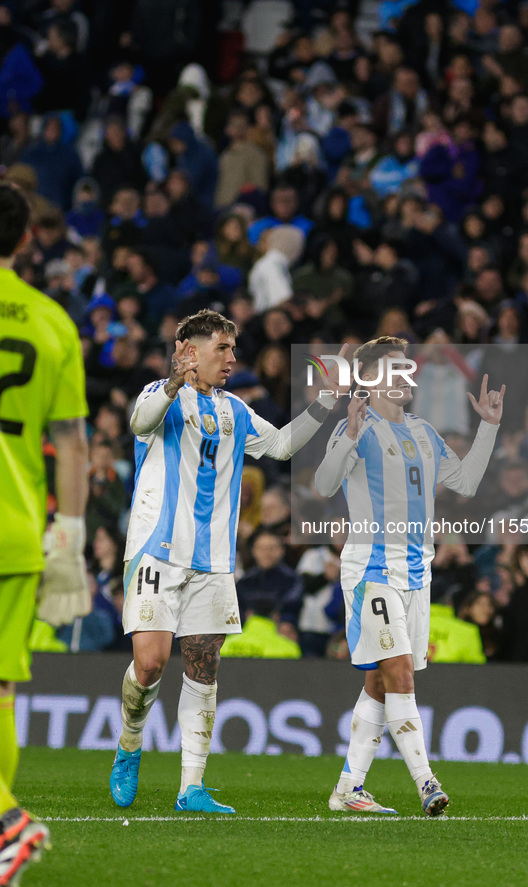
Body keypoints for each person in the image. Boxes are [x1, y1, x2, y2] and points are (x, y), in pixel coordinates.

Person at [109, 309, 347, 815]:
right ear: (191, 351)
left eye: (233, 349)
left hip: (214, 561)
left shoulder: (236, 409)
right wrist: (174, 381)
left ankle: (190, 787)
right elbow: (138, 422)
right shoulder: (161, 396)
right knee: (150, 663)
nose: (232, 358)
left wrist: (325, 403)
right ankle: (130, 743)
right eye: (223, 348)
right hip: (157, 550)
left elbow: (281, 446)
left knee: (203, 664)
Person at [315, 336, 505, 816]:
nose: (407, 377)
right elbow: (323, 483)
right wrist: (350, 436)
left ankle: (348, 789)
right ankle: (427, 783)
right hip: (372, 572)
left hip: (417, 575)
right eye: (396, 369)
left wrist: (488, 428)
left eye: (408, 369)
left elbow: (465, 482)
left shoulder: (423, 431)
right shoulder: (358, 426)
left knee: (379, 684)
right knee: (398, 673)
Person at [0, 183, 90, 883]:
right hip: (20, 529)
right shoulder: (53, 321)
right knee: (1, 684)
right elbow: (72, 441)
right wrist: (72, 530)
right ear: (27, 240)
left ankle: (6, 823)